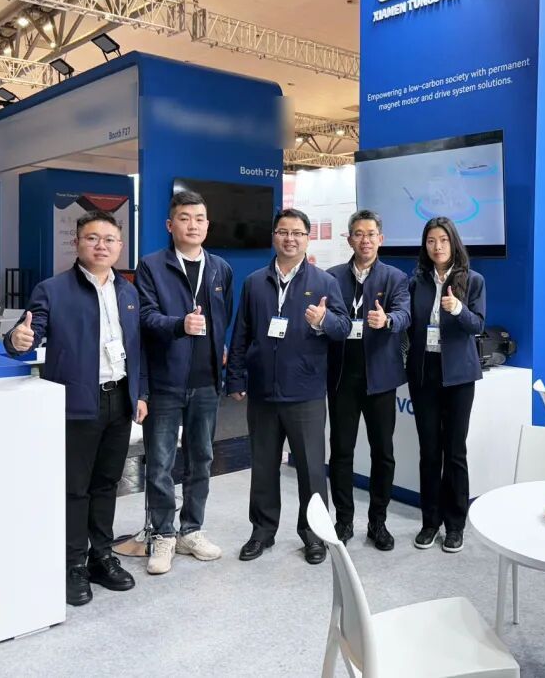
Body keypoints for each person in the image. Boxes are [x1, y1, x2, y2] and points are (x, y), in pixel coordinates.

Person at [5, 210, 146, 606]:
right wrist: (17, 339)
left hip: (120, 399)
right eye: (92, 238)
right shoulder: (52, 290)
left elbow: (137, 349)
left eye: (109, 240)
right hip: (77, 403)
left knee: (107, 483)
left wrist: (141, 394)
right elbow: (27, 335)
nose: (101, 246)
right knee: (75, 488)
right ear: (77, 243)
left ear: (120, 246)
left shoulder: (128, 292)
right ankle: (73, 565)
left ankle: (101, 556)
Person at [226, 208, 350, 565]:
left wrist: (324, 320)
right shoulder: (254, 282)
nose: (290, 239)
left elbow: (343, 328)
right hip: (263, 391)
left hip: (305, 391)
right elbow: (241, 333)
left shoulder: (325, 282)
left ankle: (314, 535)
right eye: (283, 231)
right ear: (274, 236)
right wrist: (235, 377)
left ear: (307, 239)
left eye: (297, 233)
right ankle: (262, 532)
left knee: (312, 470)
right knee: (263, 466)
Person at [135, 190, 233, 575]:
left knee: (201, 460)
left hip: (206, 381)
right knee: (160, 463)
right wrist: (180, 325)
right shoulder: (151, 266)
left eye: (199, 218)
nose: (193, 225)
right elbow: (145, 317)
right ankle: (162, 534)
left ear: (208, 225)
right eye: (184, 218)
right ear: (170, 224)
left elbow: (223, 318)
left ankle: (191, 530)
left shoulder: (220, 268)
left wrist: (219, 349)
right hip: (165, 383)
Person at [326, 210, 410, 550]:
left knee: (383, 453)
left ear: (381, 239)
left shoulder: (395, 277)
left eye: (371, 234)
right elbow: (327, 318)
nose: (365, 240)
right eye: (359, 234)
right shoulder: (332, 277)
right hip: (342, 377)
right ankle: (344, 521)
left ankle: (378, 522)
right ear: (349, 239)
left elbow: (405, 314)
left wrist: (387, 320)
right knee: (341, 452)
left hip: (380, 378)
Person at [406, 216, 486, 554]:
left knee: (454, 452)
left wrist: (458, 309)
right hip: (424, 373)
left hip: (458, 376)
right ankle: (430, 522)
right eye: (430, 241)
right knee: (429, 451)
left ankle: (455, 525)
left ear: (453, 243)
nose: (437, 247)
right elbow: (409, 324)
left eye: (443, 240)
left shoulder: (473, 280)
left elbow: (477, 326)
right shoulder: (417, 281)